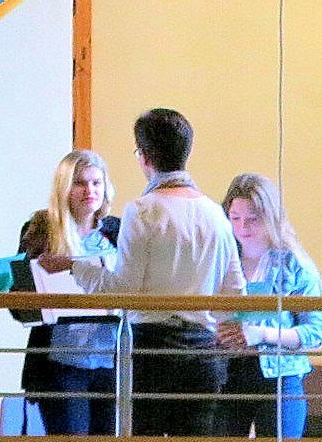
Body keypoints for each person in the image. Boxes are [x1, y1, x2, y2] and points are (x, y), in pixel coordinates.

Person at [40, 108, 244, 436]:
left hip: (152, 350)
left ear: (144, 157)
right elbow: (234, 291)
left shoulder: (142, 210)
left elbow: (124, 290)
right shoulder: (215, 214)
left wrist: (74, 266)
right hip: (203, 352)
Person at [17, 150, 121, 436]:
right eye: (80, 183)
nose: (90, 191)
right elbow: (19, 303)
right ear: (64, 187)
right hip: (61, 362)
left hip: (110, 360)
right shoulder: (41, 231)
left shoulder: (118, 230)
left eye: (96, 183)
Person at [217, 172, 322, 440]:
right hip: (228, 373)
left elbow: (315, 332)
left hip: (280, 375)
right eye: (235, 218)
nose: (243, 227)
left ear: (271, 217)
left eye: (253, 219)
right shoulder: (220, 259)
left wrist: (262, 334)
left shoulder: (295, 265)